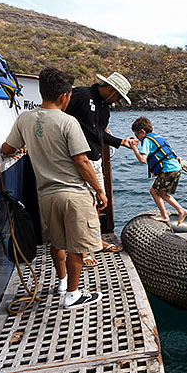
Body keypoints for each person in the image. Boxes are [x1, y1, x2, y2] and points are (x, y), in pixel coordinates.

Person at [0, 67, 105, 309]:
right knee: (77, 247)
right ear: (64, 96)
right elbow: (82, 161)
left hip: (45, 195)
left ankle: (62, 282)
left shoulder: (24, 119)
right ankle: (73, 294)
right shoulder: (68, 122)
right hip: (74, 194)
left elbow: (7, 148)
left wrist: (20, 149)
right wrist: (99, 190)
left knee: (57, 242)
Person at [64, 72, 135, 258]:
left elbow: (100, 135)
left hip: (95, 161)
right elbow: (59, 117)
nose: (117, 101)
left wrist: (121, 142)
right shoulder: (81, 94)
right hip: (75, 160)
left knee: (98, 203)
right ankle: (82, 248)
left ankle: (95, 240)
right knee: (81, 205)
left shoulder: (105, 109)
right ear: (111, 89)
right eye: (118, 96)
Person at [129, 116, 187, 225]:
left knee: (154, 191)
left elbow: (142, 159)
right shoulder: (157, 137)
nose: (137, 138)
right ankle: (180, 211)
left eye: (136, 134)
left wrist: (134, 147)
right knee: (161, 192)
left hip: (168, 169)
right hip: (176, 167)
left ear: (142, 132)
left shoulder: (147, 140)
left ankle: (166, 215)